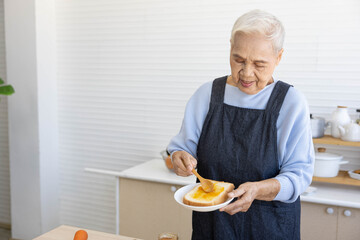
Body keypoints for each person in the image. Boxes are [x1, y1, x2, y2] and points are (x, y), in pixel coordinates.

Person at [167, 9, 314, 240]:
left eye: (259, 64)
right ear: (230, 48)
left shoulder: (291, 103)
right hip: (213, 228)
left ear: (279, 57)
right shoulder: (207, 95)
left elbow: (298, 175)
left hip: (271, 227)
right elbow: (181, 148)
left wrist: (257, 190)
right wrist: (179, 157)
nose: (246, 73)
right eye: (238, 59)